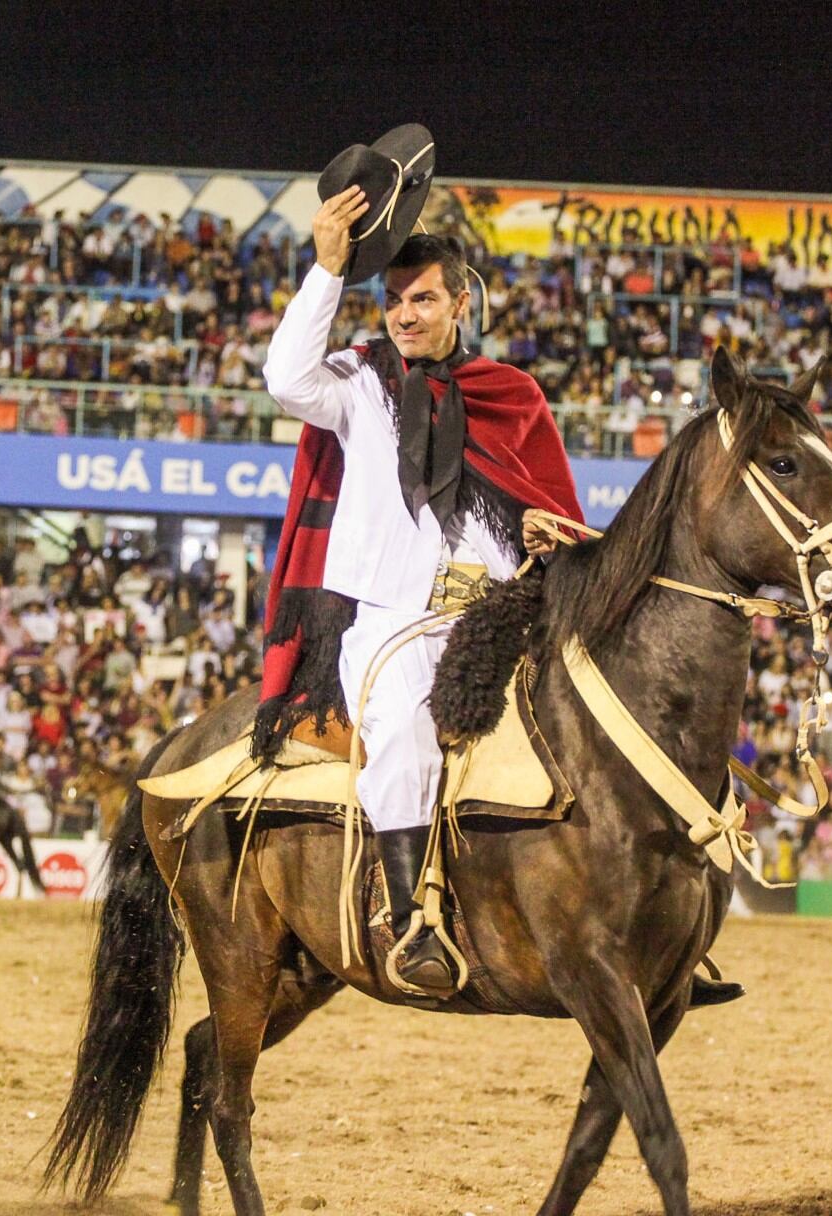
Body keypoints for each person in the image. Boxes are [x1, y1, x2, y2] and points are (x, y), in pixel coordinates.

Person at [258, 125, 582, 998]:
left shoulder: (514, 395)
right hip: (391, 625)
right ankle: (413, 925)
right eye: (395, 299)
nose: (406, 313)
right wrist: (328, 268)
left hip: (495, 620)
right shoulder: (355, 383)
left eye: (424, 299)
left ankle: (637, 926)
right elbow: (283, 379)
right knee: (400, 729)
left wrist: (548, 544)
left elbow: (548, 507)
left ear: (460, 302)